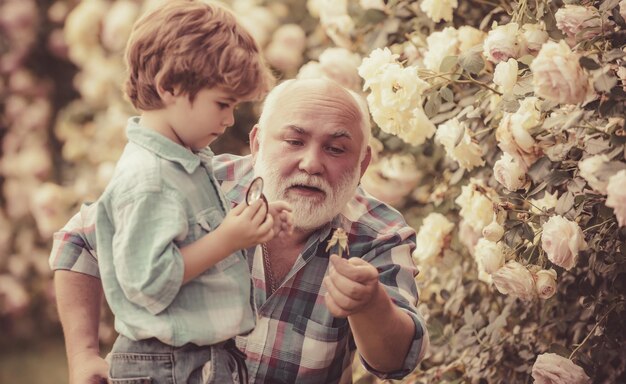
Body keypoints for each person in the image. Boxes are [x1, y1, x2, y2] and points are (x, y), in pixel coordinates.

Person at [50, 78, 430, 384]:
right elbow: (79, 241)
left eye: (335, 149)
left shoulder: (379, 233)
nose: (311, 163)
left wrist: (370, 304)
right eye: (294, 141)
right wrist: (82, 356)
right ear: (257, 142)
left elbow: (396, 362)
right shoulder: (191, 187)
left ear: (363, 162)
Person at [55, 1, 293, 383]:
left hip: (197, 360)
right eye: (222, 104)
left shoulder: (185, 163)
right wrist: (228, 239)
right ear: (169, 88)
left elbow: (195, 252)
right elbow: (147, 284)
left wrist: (254, 227)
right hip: (166, 365)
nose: (229, 120)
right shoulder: (150, 178)